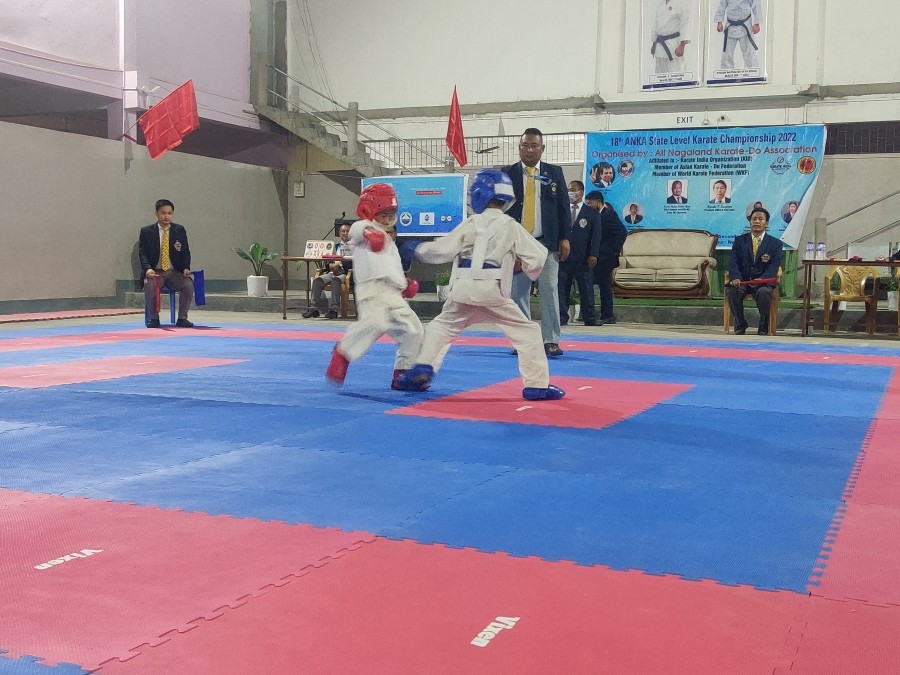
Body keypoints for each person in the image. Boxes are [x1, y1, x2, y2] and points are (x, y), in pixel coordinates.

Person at [395, 169, 565, 401]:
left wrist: (417, 249)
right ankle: (536, 385)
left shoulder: (471, 223)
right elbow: (538, 256)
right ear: (506, 199)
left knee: (440, 327)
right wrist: (524, 269)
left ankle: (424, 366)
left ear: (478, 195)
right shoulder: (510, 225)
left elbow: (441, 250)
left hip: (463, 289)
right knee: (528, 332)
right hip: (493, 291)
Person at [325, 183, 424, 389]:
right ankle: (343, 352)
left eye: (390, 215)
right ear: (369, 210)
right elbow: (357, 230)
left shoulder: (388, 241)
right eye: (383, 214)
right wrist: (370, 232)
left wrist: (404, 284)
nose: (387, 219)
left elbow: (390, 267)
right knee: (376, 323)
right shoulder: (361, 228)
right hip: (372, 289)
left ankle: (403, 374)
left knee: (413, 330)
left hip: (392, 293)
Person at [503, 128, 571, 358]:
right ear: (519, 147)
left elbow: (563, 207)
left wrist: (565, 238)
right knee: (517, 293)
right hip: (518, 245)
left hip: (547, 243)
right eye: (525, 145)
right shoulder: (508, 174)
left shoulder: (554, 173)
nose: (529, 150)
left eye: (534, 145)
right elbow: (501, 211)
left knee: (549, 290)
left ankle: (550, 340)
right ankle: (523, 339)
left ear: (542, 148)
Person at [726, 207, 783, 335]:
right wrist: (735, 277)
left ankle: (763, 325)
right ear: (750, 222)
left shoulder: (775, 244)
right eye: (754, 219)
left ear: (766, 223)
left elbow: (774, 266)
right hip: (743, 281)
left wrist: (763, 279)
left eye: (760, 219)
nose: (757, 222)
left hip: (762, 282)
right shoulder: (740, 241)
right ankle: (741, 324)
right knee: (732, 291)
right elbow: (733, 262)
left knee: (764, 293)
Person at [138, 199, 195, 328]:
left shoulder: (179, 230)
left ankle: (182, 318)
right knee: (150, 284)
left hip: (174, 271)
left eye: (169, 213)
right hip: (156, 272)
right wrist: (147, 269)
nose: (166, 216)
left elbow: (185, 252)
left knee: (188, 285)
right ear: (156, 214)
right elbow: (142, 254)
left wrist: (186, 268)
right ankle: (154, 318)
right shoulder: (147, 232)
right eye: (163, 213)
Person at [559, 181, 602, 326]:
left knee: (586, 288)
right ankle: (561, 316)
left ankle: (589, 317)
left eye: (572, 189)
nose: (570, 192)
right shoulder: (562, 210)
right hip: (564, 257)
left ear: (581, 192)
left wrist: (594, 254)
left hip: (583, 257)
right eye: (568, 189)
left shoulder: (591, 213)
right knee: (562, 288)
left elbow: (596, 235)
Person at [586, 191, 627, 325]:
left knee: (605, 286)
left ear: (598, 202)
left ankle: (608, 314)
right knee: (594, 285)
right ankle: (589, 313)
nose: (589, 205)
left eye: (590, 203)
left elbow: (622, 232)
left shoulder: (608, 215)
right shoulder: (595, 215)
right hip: (596, 256)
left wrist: (614, 250)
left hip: (606, 257)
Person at [303, 223, 352, 319]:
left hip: (344, 273)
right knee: (317, 280)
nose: (345, 233)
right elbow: (327, 262)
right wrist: (330, 265)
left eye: (347, 231)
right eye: (343, 231)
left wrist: (339, 266)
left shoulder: (355, 247)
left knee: (335, 280)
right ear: (339, 233)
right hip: (332, 272)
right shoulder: (335, 246)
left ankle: (334, 310)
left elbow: (354, 262)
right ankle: (313, 308)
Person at [714, 0, 762, 71]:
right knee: (727, 53)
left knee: (749, 52)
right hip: (730, 26)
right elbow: (722, 6)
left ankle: (753, 71)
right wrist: (719, 22)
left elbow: (756, 5)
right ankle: (726, 72)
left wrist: (757, 23)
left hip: (745, 25)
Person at [650, 0, 692, 74]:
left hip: (673, 45)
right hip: (659, 46)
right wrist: (654, 44)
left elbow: (685, 23)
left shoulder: (681, 3)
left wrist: (682, 45)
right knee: (660, 76)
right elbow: (655, 24)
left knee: (676, 74)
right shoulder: (660, 5)